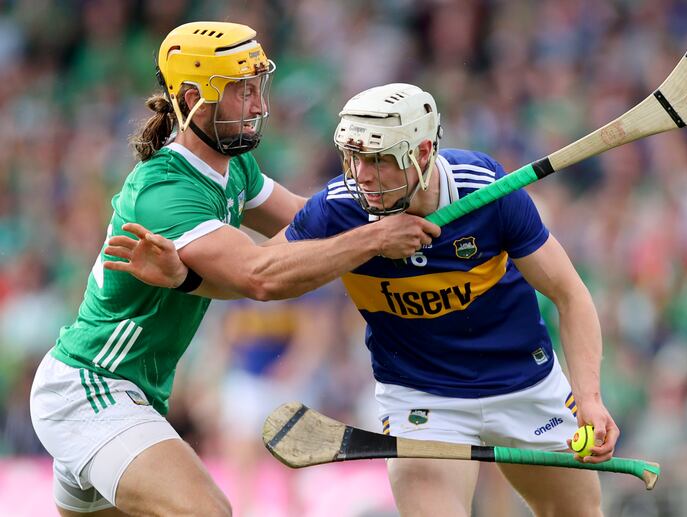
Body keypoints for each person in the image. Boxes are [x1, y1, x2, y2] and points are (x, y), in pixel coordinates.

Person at [111, 83, 618, 517]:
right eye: (353, 158)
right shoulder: (338, 210)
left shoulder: (490, 191)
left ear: (422, 154)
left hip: (527, 386)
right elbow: (260, 277)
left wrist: (591, 399)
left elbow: (570, 294)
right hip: (424, 399)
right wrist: (184, 279)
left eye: (378, 160)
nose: (362, 176)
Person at [29, 23, 439, 517]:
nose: (259, 104)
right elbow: (260, 274)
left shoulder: (234, 169)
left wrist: (406, 196)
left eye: (256, 87)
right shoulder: (165, 190)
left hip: (134, 396)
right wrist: (376, 238)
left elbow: (313, 224)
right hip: (92, 386)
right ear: (193, 99)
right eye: (241, 90)